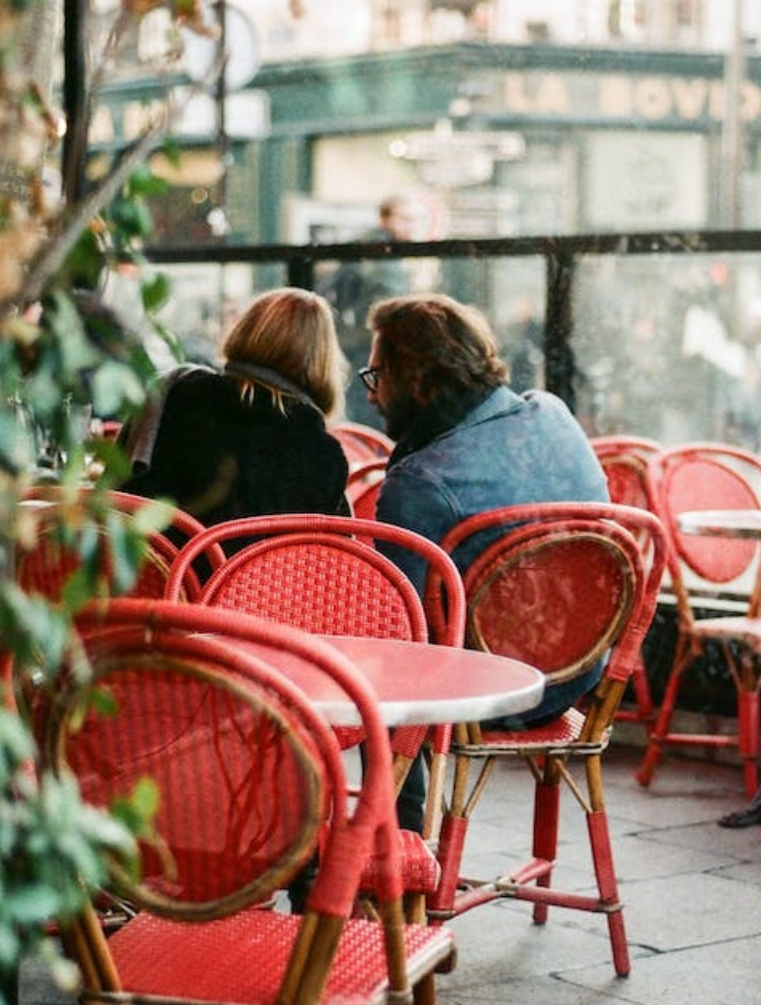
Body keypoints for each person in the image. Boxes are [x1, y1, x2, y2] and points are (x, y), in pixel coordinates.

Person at [362, 292, 611, 830]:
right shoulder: (554, 414)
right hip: (581, 673)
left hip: (496, 693)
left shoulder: (422, 480)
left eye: (379, 375)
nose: (373, 396)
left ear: (419, 379)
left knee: (378, 674)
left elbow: (394, 625)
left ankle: (392, 855)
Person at [117, 286, 351, 530]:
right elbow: (336, 552)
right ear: (323, 359)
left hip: (163, 565)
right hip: (263, 569)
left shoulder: (179, 393)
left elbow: (119, 491)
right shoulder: (322, 453)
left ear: (245, 330)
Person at [319, 193, 428, 428]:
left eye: (415, 220)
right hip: (369, 342)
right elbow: (392, 302)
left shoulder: (379, 249)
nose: (411, 226)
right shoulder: (380, 254)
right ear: (385, 219)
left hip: (361, 340)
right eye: (404, 219)